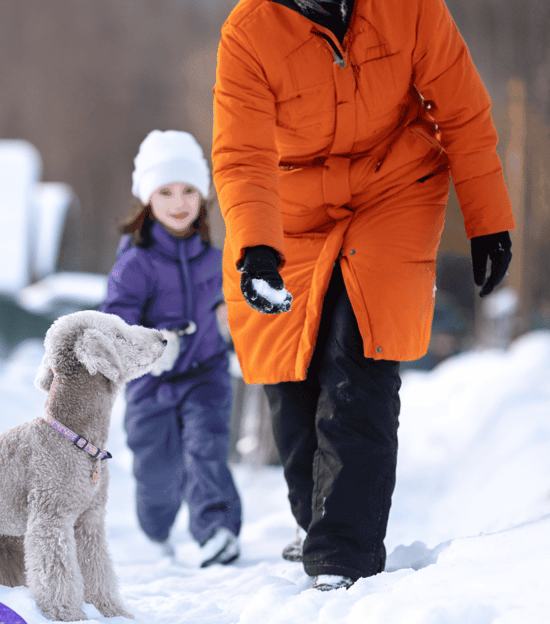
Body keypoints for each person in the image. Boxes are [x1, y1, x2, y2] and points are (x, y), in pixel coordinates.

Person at [212, 0, 514, 590]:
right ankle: (317, 522)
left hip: (392, 186)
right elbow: (241, 153)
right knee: (289, 368)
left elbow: (463, 110)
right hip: (287, 204)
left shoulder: (413, 9)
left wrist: (489, 220)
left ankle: (342, 557)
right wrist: (257, 249)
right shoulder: (248, 31)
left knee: (360, 352)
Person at [101, 129, 242, 567]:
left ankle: (216, 530)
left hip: (206, 374)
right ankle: (156, 527)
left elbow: (236, 311)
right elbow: (114, 324)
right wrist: (151, 348)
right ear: (148, 199)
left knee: (207, 447)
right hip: (151, 384)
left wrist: (229, 330)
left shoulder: (217, 260)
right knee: (158, 471)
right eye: (165, 192)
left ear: (202, 196)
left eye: (188, 190)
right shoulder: (134, 264)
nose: (178, 202)